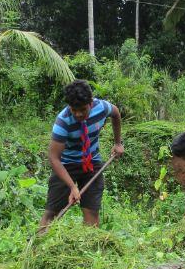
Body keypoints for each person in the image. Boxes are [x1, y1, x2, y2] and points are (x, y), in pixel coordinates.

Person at [39, 79, 124, 230]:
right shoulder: (63, 122)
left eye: (83, 110)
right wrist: (72, 187)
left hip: (92, 162)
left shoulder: (102, 107)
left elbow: (116, 113)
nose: (78, 114)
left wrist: (118, 143)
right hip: (66, 166)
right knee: (51, 213)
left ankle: (89, 248)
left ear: (91, 103)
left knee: (91, 212)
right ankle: (37, 246)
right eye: (74, 110)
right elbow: (53, 158)